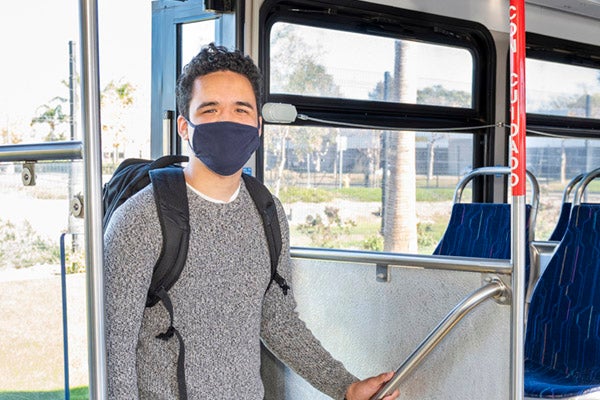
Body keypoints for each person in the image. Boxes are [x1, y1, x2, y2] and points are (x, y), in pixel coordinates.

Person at [104, 42, 400, 400]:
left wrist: (345, 386)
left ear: (258, 126)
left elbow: (277, 320)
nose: (226, 121)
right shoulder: (140, 219)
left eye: (241, 110)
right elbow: (113, 351)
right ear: (184, 126)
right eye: (210, 109)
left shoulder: (267, 212)